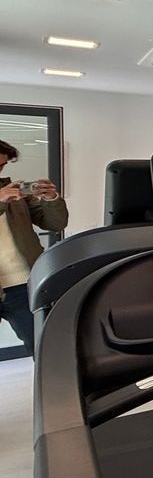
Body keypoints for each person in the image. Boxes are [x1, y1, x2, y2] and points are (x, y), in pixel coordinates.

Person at [0, 138, 68, 357]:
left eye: (1, 165)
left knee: (45, 350)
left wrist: (51, 199)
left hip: (24, 285)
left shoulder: (13, 193)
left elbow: (56, 223)